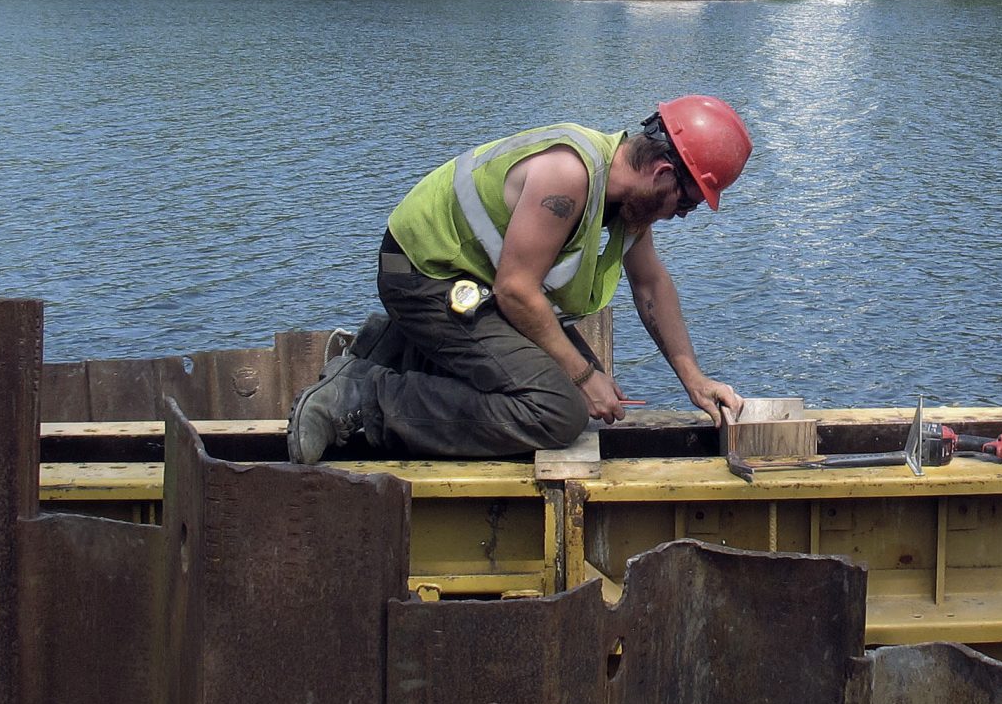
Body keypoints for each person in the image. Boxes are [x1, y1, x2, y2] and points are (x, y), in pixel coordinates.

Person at [287, 96, 752, 463]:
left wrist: (694, 378)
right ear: (663, 172)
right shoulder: (568, 175)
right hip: (425, 277)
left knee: (575, 391)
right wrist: (586, 375)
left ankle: (397, 351)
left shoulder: (630, 203)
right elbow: (515, 290)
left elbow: (651, 284)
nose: (683, 216)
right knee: (557, 410)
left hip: (478, 287)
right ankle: (359, 399)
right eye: (686, 203)